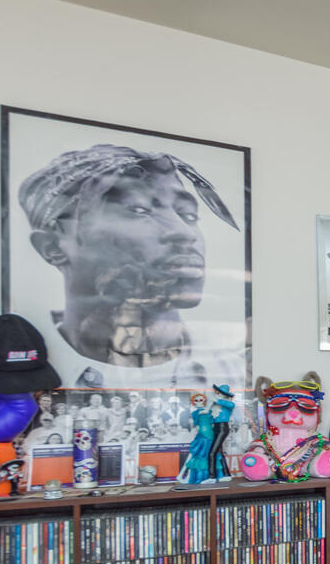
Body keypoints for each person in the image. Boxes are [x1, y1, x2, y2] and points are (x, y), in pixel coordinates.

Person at [17, 143, 245, 391]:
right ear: (53, 246)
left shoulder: (232, 373)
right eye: (138, 210)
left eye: (189, 215)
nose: (184, 232)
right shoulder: (20, 375)